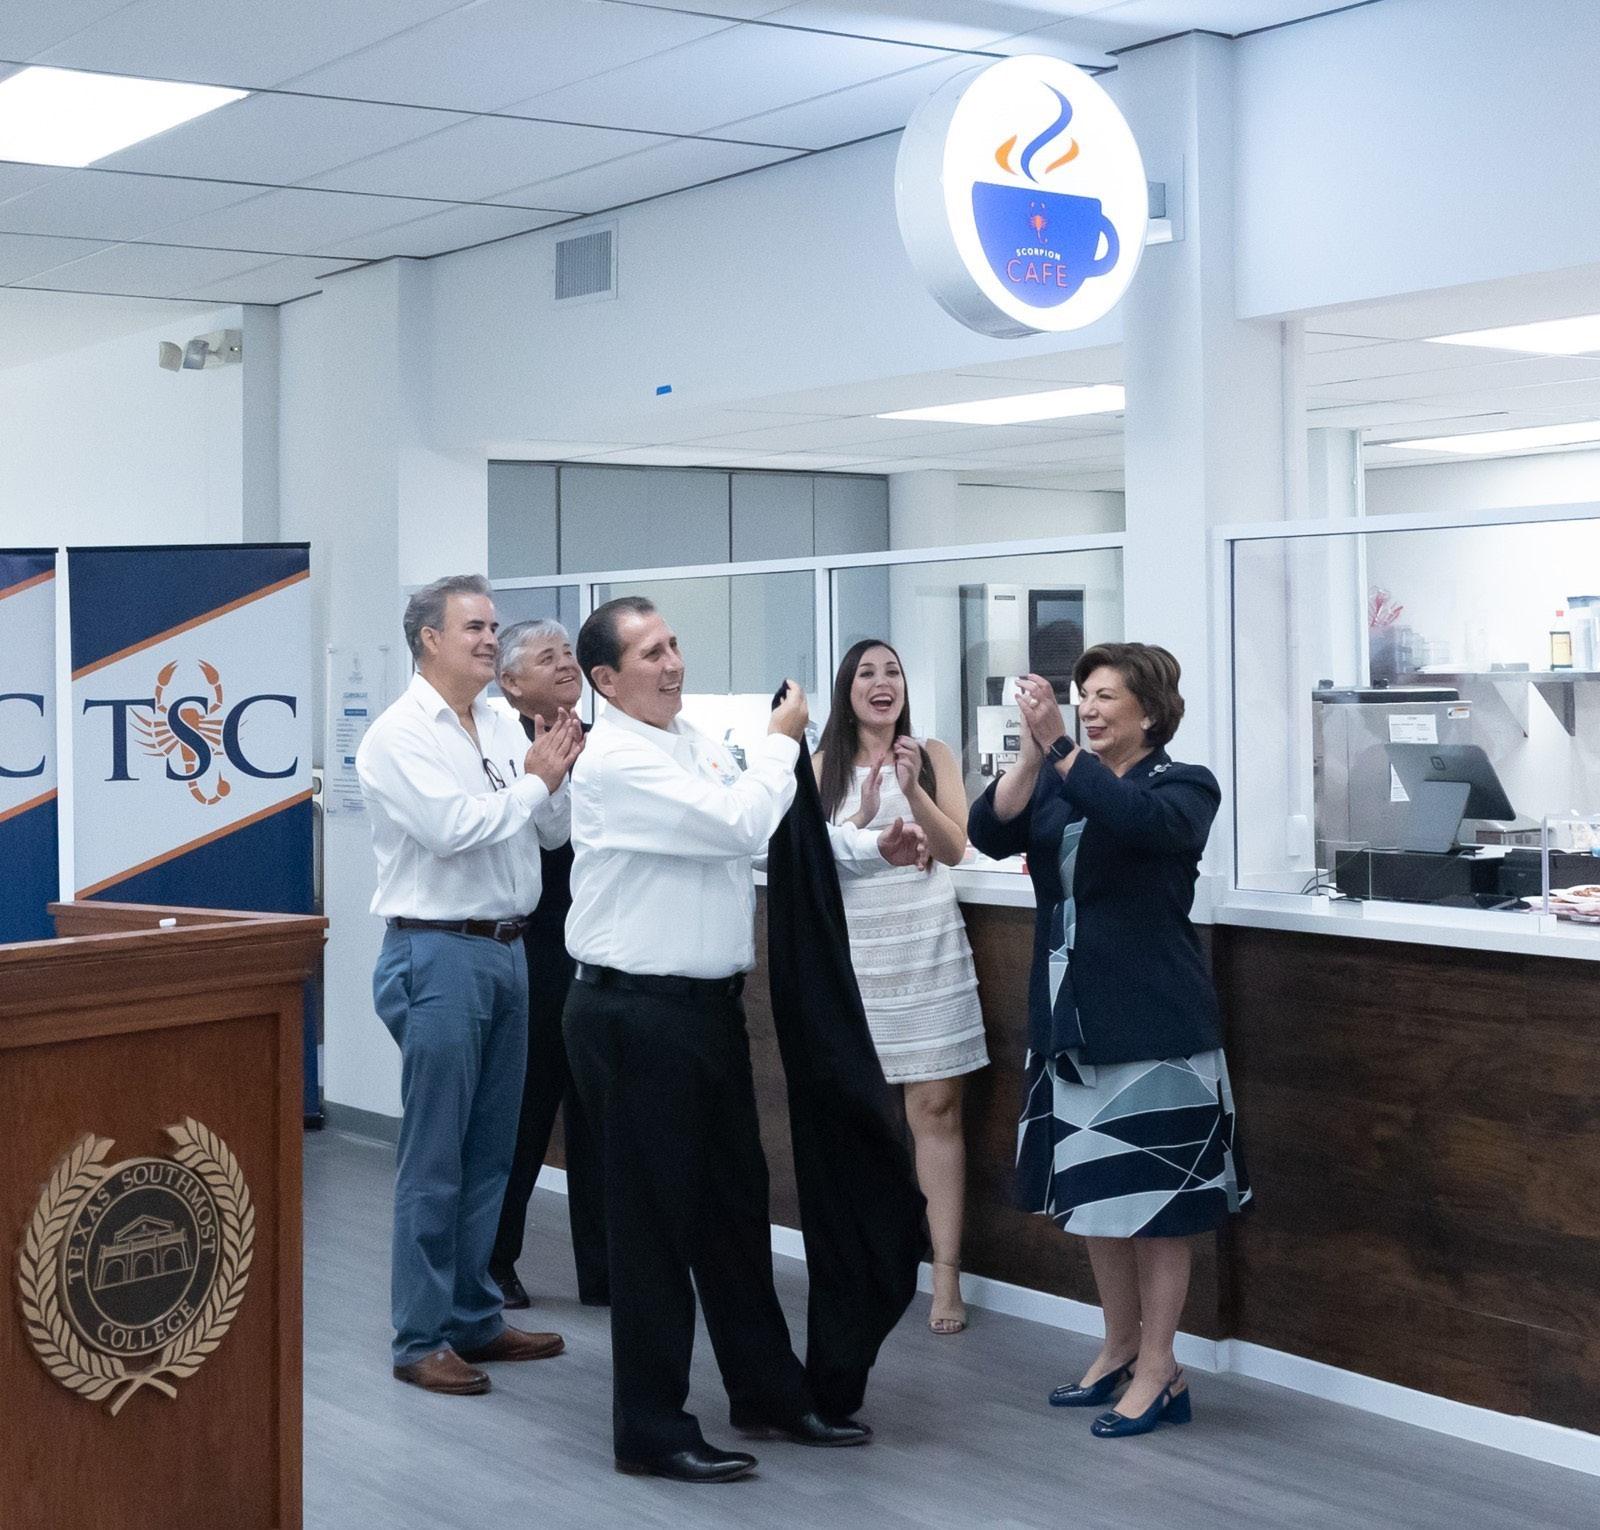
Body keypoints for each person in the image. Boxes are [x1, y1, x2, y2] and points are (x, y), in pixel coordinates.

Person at [562, 596, 927, 1484]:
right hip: (635, 1016)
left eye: (674, 643)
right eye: (651, 654)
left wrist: (864, 851)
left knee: (734, 1209)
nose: (673, 663)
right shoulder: (614, 760)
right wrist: (779, 743)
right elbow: (736, 820)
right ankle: (651, 1428)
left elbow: (752, 841)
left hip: (705, 1013)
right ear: (605, 679)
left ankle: (767, 1390)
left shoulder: (685, 741)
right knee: (653, 1229)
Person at [967, 643, 1250, 1439]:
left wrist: (1061, 748)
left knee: (1157, 1206)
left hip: (1154, 1021)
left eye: (1105, 696)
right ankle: (1121, 1346)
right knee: (1097, 1199)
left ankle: (1161, 1367)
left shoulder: (1183, 785)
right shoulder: (1062, 780)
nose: (1088, 708)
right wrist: (1034, 754)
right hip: (1072, 1020)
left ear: (1149, 712)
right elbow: (989, 832)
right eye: (1081, 695)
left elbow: (1136, 823)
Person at [357, 573, 584, 1396]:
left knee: (492, 1151)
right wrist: (535, 781)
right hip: (437, 952)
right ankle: (420, 1338)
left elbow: (548, 830)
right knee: (436, 1157)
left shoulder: (497, 721)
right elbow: (453, 830)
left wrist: (557, 772)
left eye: (493, 627)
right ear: (430, 640)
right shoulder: (396, 736)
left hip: (507, 948)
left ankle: (475, 1317)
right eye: (476, 628)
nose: (492, 639)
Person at [814, 639, 988, 1335]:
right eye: (867, 673)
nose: (882, 683)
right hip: (858, 954)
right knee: (864, 1120)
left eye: (892, 672)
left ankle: (945, 1273)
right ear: (846, 689)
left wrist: (912, 788)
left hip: (928, 944)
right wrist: (862, 815)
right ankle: (871, 1263)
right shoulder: (821, 765)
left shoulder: (934, 754)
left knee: (936, 1110)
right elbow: (812, 861)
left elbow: (955, 849)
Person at [488, 618, 608, 1311]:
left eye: (568, 653)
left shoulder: (603, 737)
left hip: (601, 940)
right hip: (536, 941)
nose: (566, 664)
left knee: (598, 1108)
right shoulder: (502, 743)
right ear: (511, 682)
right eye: (547, 656)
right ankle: (495, 1261)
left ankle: (605, 1270)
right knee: (527, 1107)